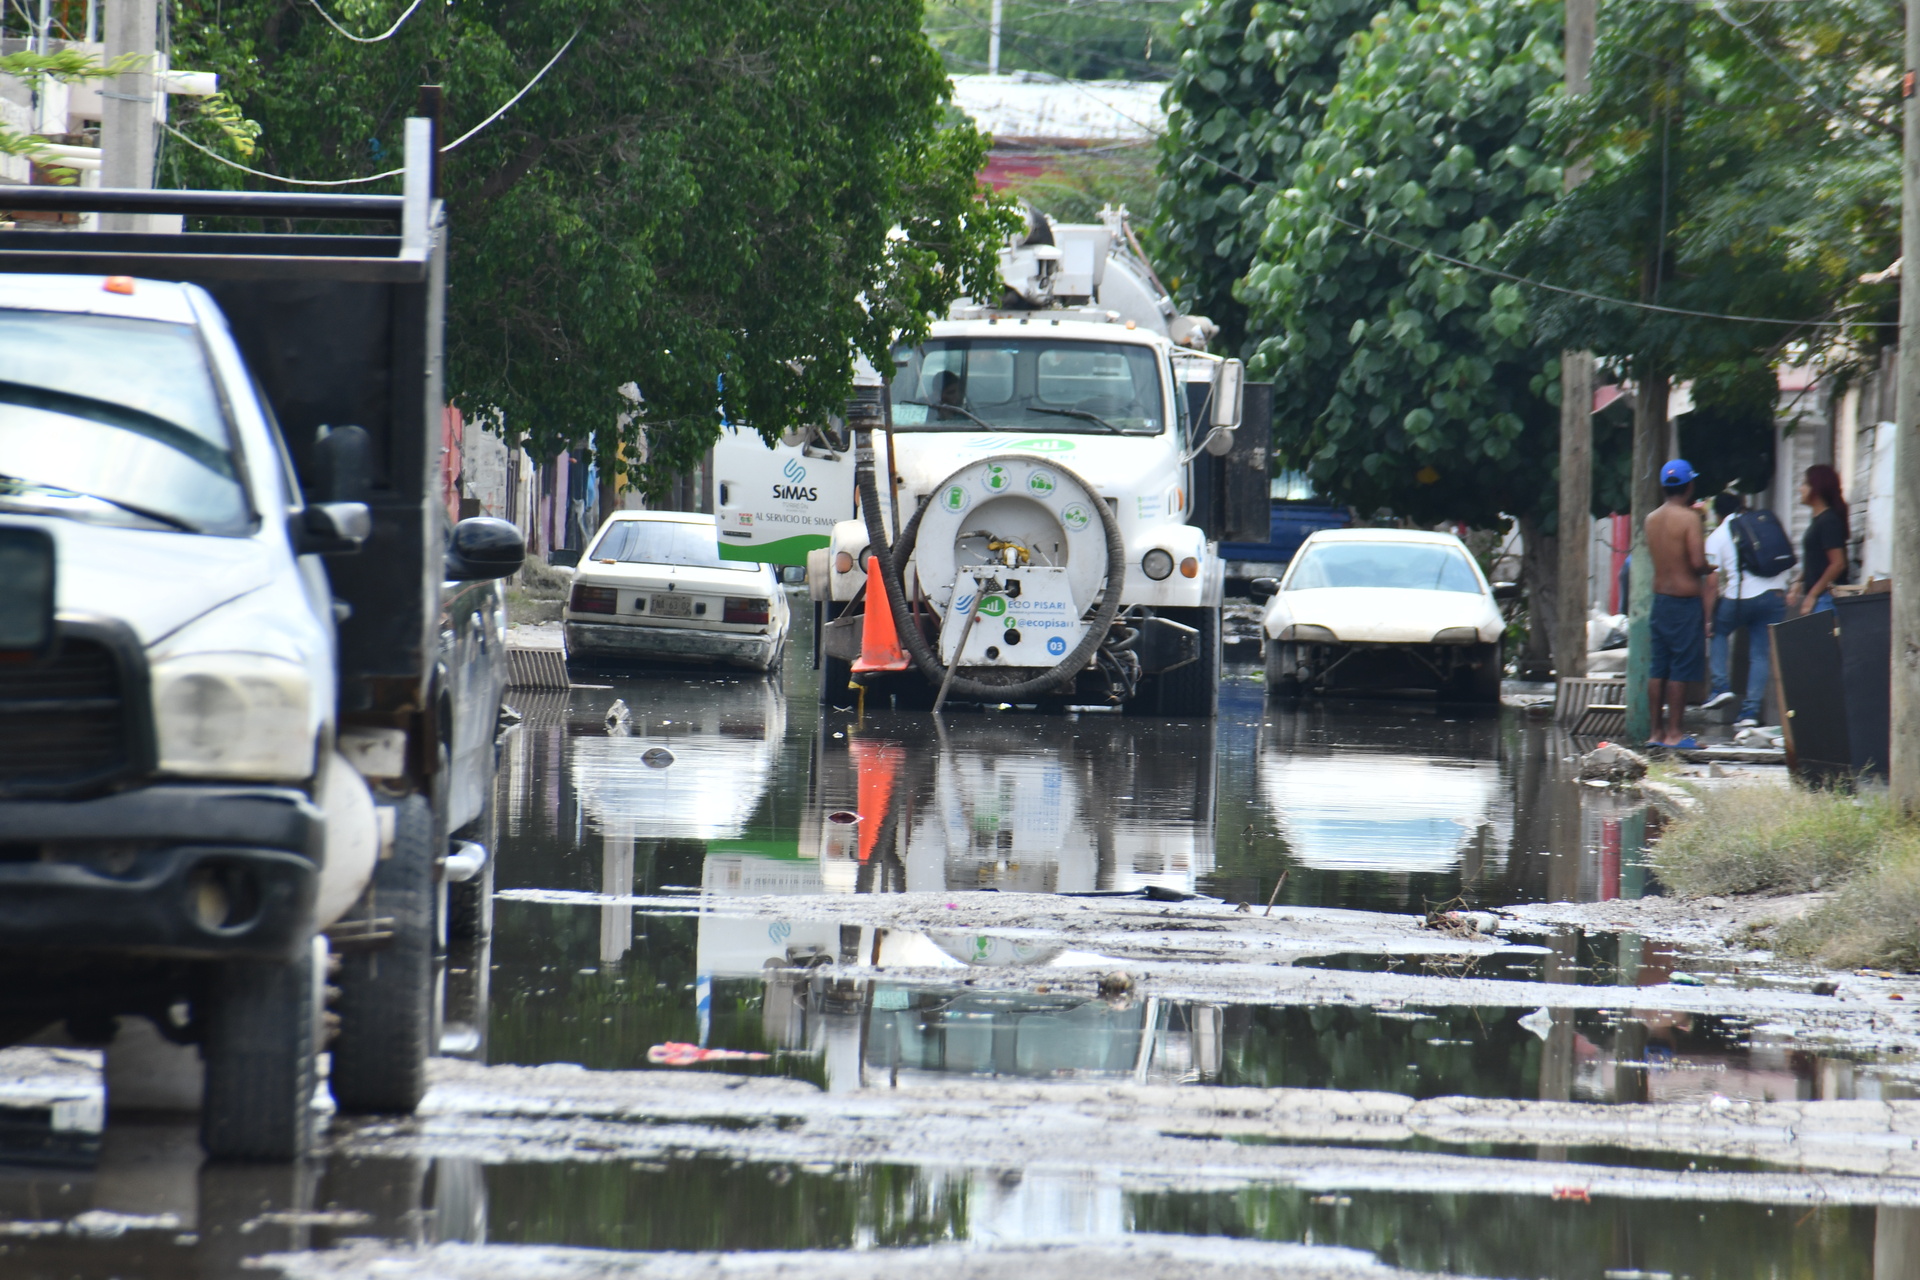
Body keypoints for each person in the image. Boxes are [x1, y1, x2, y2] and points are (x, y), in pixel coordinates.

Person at [1643, 459, 1715, 750]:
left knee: (1658, 667)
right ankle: (1674, 734)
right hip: (1684, 603)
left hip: (1660, 600)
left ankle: (1655, 734)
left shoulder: (1651, 519)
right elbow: (1696, 562)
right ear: (1690, 486)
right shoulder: (1689, 519)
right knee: (1680, 669)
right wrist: (1710, 568)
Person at [1703, 492, 1790, 729]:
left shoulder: (1719, 535)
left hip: (1740, 598)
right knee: (1760, 654)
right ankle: (1750, 713)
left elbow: (1711, 583)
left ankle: (1720, 686)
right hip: (1775, 596)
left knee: (1719, 632)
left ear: (1718, 513)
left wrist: (1707, 618)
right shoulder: (1762, 524)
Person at [1788, 463, 1850, 616]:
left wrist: (1812, 595)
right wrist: (1798, 581)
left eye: (1804, 484)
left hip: (1827, 598)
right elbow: (1816, 559)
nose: (1800, 489)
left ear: (1816, 488)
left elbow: (1837, 564)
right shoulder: (1818, 520)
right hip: (1820, 597)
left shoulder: (1829, 521)